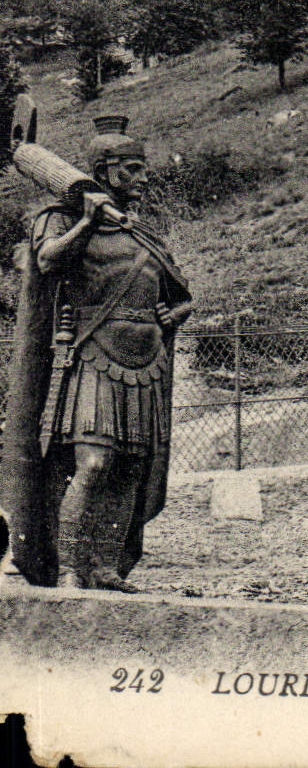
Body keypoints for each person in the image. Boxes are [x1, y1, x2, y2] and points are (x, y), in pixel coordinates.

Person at [3, 116, 191, 591]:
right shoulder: (60, 219)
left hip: (145, 365)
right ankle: (67, 567)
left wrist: (180, 312)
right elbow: (47, 261)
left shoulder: (142, 234)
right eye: (131, 169)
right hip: (93, 358)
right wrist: (88, 219)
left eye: (143, 168)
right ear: (103, 173)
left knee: (129, 469)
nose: (143, 178)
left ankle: (105, 566)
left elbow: (179, 292)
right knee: (92, 465)